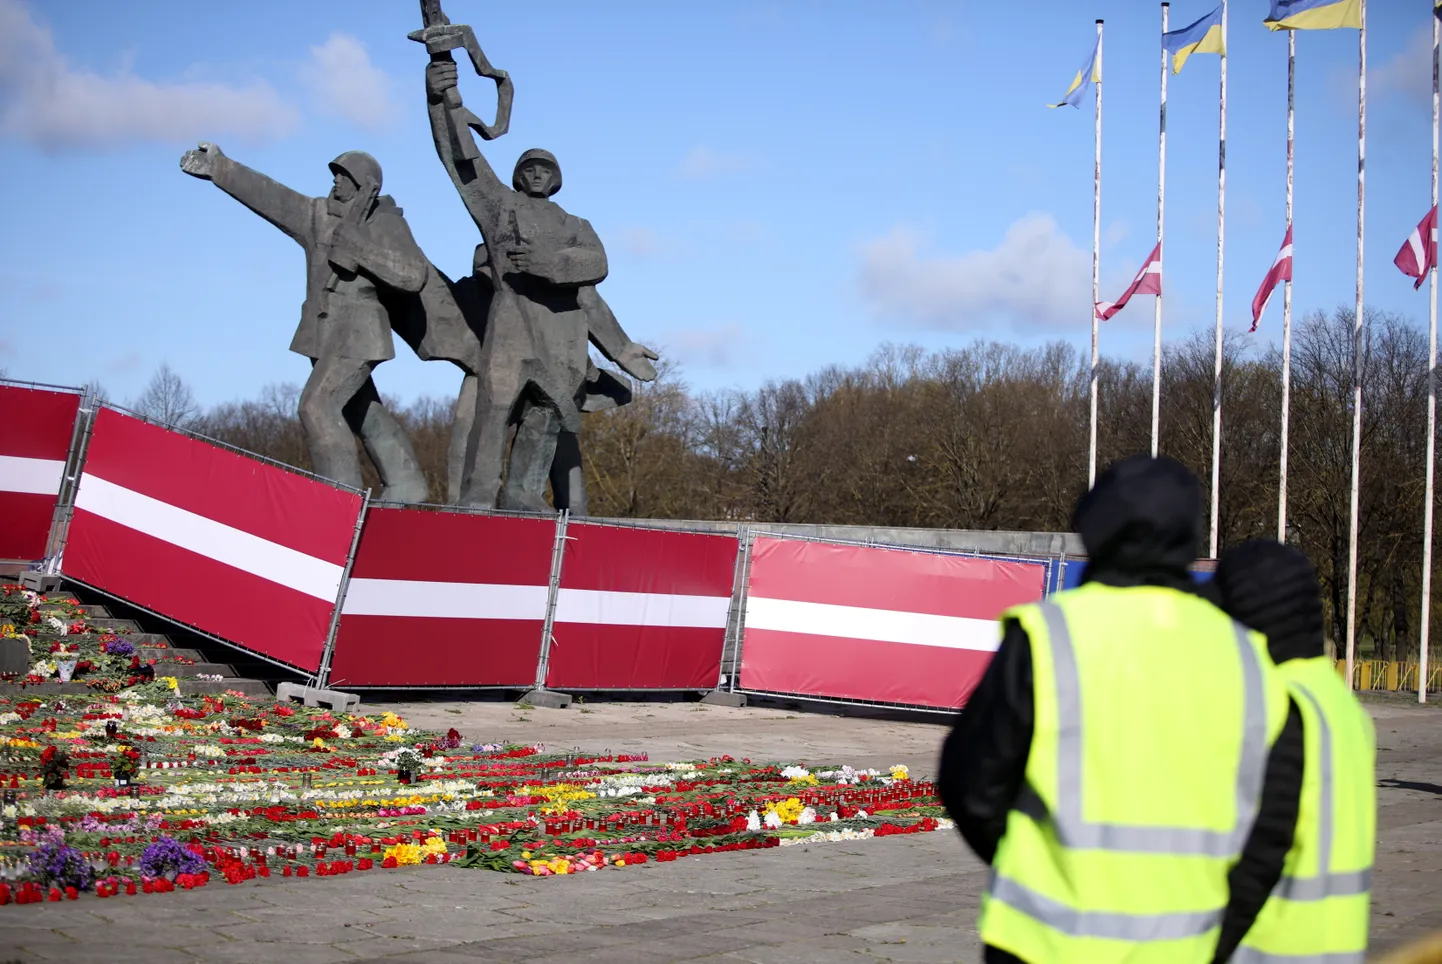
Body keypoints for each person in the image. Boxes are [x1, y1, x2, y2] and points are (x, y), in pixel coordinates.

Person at [937, 455, 1305, 963]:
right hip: (1184, 948)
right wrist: (1217, 936)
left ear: (1095, 527)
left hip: (1043, 944)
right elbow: (1274, 826)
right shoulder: (1248, 657)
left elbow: (971, 781)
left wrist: (1029, 864)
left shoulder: (1049, 635)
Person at [179, 144, 430, 502]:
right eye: (336, 176)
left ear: (365, 186)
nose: (336, 183)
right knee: (363, 412)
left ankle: (339, 502)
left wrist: (359, 250)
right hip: (323, 330)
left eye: (345, 178)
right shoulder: (318, 216)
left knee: (318, 407)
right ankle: (408, 483)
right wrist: (220, 167)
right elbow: (273, 197)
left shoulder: (385, 223)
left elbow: (412, 274)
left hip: (359, 331)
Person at [1211, 540, 1375, 963]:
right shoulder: (1337, 701)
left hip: (1267, 949)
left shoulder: (1277, 703)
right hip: (1334, 947)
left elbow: (1262, 849)